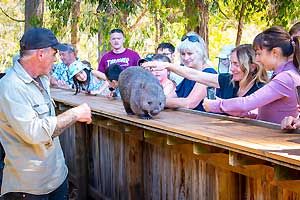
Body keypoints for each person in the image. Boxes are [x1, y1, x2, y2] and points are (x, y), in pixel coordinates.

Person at [0, 27, 92, 199]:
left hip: (57, 177)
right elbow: (35, 133)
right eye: (54, 53)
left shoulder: (42, 78)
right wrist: (75, 114)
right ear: (41, 54)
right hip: (30, 189)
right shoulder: (10, 86)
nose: (56, 59)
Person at [202, 26, 300, 124]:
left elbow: (247, 102)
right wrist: (242, 113)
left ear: (275, 52)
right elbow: (267, 111)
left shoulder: (286, 77)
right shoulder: (284, 74)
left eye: (259, 54)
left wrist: (216, 105)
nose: (257, 59)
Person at [143, 44, 268, 100]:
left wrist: (219, 105)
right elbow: (194, 75)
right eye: (231, 63)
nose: (231, 68)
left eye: (236, 64)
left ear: (252, 67)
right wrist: (167, 65)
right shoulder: (227, 80)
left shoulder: (261, 88)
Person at [146, 32, 217, 111]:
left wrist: (155, 102)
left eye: (190, 54)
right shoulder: (189, 73)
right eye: (183, 54)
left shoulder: (208, 73)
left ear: (200, 53)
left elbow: (189, 103)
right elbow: (174, 95)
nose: (186, 58)